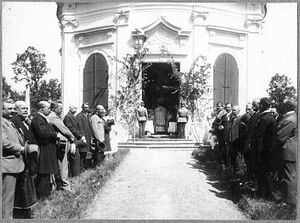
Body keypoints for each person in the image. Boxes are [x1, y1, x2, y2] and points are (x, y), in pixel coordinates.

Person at [12, 101, 37, 218]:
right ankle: (21, 213)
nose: (26, 110)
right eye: (23, 108)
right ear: (16, 110)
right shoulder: (15, 122)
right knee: (22, 187)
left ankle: (26, 210)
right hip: (21, 158)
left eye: (27, 108)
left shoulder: (25, 122)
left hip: (28, 158)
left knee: (27, 185)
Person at [30, 101, 59, 199]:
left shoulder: (42, 118)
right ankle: (43, 196)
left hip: (47, 149)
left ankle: (44, 194)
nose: (50, 110)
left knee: (46, 173)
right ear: (42, 108)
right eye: (48, 108)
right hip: (44, 149)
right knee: (44, 173)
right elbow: (43, 133)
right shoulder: (38, 119)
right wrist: (55, 135)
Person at [2, 102, 25, 219]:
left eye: (13, 109)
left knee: (9, 197)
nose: (13, 111)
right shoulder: (2, 123)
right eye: (9, 109)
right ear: (2, 110)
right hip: (8, 165)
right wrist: (20, 148)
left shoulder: (9, 123)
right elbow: (3, 143)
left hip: (13, 165)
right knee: (7, 198)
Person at [252, 97, 277, 200]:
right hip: (269, 151)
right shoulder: (271, 117)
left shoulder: (264, 119)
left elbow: (258, 136)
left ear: (262, 106)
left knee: (262, 174)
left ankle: (262, 195)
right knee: (265, 174)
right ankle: (267, 195)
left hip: (262, 152)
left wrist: (256, 151)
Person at [274, 99, 297, 205]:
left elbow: (280, 137)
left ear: (287, 106)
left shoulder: (290, 119)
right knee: (286, 175)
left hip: (287, 151)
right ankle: (285, 199)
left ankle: (290, 202)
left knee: (288, 176)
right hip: (287, 150)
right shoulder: (290, 117)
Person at [48, 102, 75, 191]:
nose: (61, 110)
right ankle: (65, 185)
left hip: (58, 144)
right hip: (60, 144)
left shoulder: (53, 116)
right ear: (54, 109)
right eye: (60, 108)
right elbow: (64, 129)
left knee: (60, 164)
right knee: (63, 165)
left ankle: (57, 184)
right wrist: (72, 137)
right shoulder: (53, 117)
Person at [63, 106, 85, 177]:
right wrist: (80, 136)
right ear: (70, 109)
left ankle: (76, 174)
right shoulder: (67, 117)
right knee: (74, 157)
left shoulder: (73, 116)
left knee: (76, 157)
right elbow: (70, 128)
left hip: (76, 139)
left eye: (76, 108)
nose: (76, 109)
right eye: (74, 108)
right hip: (72, 140)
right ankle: (75, 176)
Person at [243, 98, 261, 185]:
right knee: (249, 165)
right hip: (248, 144)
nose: (253, 107)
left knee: (253, 165)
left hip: (252, 145)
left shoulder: (259, 116)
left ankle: (253, 182)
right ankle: (250, 181)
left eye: (254, 105)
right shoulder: (253, 116)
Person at [76, 102, 93, 171]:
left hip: (88, 136)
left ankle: (87, 167)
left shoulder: (88, 115)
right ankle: (81, 168)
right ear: (82, 107)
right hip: (84, 137)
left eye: (87, 107)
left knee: (87, 152)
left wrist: (91, 136)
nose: (86, 109)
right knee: (82, 152)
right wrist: (82, 136)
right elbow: (79, 127)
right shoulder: (79, 116)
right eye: (85, 107)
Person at [218, 103, 234, 167]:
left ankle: (231, 167)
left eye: (228, 107)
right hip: (224, 137)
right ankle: (225, 165)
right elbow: (219, 123)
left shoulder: (233, 115)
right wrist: (220, 126)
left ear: (231, 108)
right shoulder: (224, 116)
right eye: (226, 107)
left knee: (230, 152)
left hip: (231, 137)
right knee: (224, 152)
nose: (227, 109)